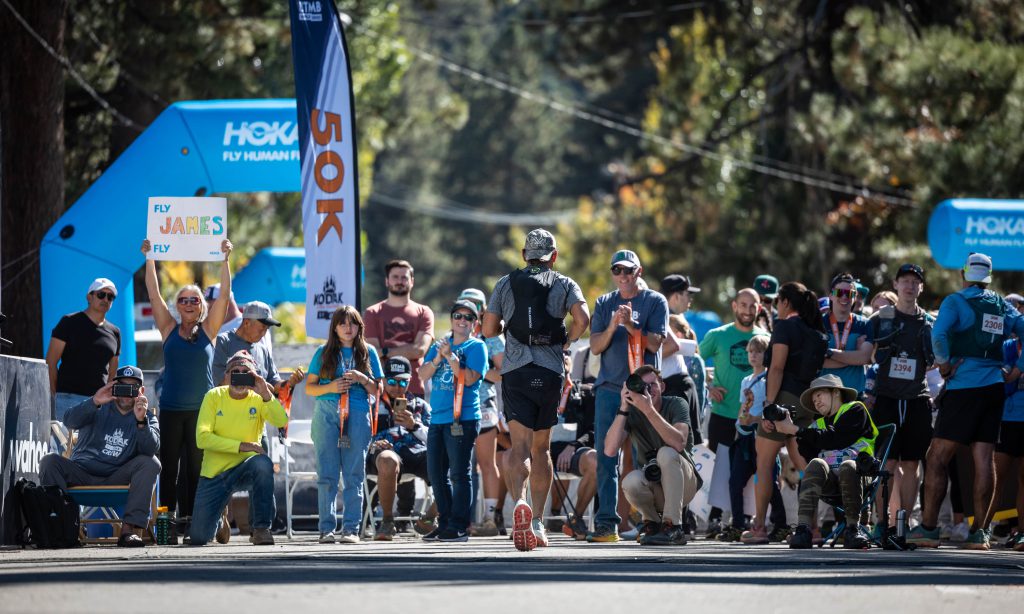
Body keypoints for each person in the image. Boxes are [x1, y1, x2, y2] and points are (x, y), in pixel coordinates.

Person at [483, 228, 589, 551]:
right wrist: (567, 341)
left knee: (519, 447)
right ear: (553, 257)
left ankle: (519, 503)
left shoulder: (504, 283)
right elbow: (583, 318)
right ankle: (539, 523)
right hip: (550, 370)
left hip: (515, 371)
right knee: (542, 448)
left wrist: (505, 327)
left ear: (524, 255)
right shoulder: (565, 283)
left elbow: (488, 329)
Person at [909, 253, 1024, 550]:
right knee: (984, 460)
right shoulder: (1003, 305)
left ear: (964, 274)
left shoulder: (955, 302)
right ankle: (980, 533)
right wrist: (1017, 370)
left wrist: (944, 365)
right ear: (988, 277)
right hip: (995, 388)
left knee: (936, 457)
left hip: (963, 388)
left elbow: (939, 335)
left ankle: (929, 529)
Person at [141, 238, 233, 541]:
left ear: (202, 306)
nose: (190, 304)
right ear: (177, 307)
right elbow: (154, 293)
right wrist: (150, 258)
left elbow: (225, 296)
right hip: (170, 410)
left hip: (201, 412)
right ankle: (166, 528)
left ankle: (196, 526)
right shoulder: (168, 328)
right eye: (184, 300)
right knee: (168, 471)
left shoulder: (209, 329)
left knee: (196, 472)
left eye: (194, 300)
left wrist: (225, 259)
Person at [587, 249, 669, 543]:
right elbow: (595, 347)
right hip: (609, 390)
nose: (622, 276)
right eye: (617, 270)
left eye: (628, 270)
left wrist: (632, 325)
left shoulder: (655, 301)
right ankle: (607, 523)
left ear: (639, 272)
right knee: (606, 458)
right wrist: (612, 325)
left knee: (646, 458)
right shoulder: (604, 303)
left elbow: (656, 342)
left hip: (644, 391)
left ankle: (651, 521)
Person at [39, 365, 159, 547]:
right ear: (113, 387)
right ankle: (61, 530)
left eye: (132, 388)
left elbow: (150, 449)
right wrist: (94, 400)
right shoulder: (97, 406)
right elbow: (69, 420)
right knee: (49, 461)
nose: (127, 394)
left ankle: (128, 532)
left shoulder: (146, 417)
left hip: (116, 476)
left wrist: (141, 421)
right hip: (82, 473)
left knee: (151, 462)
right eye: (122, 387)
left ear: (141, 391)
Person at [745, 281, 827, 544]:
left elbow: (777, 368)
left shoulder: (785, 327)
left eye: (778, 301)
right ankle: (812, 529)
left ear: (785, 302)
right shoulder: (816, 331)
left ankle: (758, 527)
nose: (776, 307)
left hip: (783, 399)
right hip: (808, 401)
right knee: (805, 466)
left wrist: (770, 406)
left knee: (764, 465)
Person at [768, 374, 877, 549]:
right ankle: (803, 529)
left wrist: (798, 430)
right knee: (815, 465)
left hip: (860, 477)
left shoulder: (856, 409)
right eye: (813, 399)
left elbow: (836, 439)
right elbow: (807, 454)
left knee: (848, 465)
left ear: (835, 392)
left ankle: (853, 529)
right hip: (831, 484)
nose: (816, 401)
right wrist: (787, 428)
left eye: (819, 395)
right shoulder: (817, 424)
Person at [189, 351, 287, 546]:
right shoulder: (213, 396)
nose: (240, 376)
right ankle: (219, 519)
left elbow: (281, 421)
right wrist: (242, 446)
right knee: (199, 538)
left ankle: (260, 529)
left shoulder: (259, 398)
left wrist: (266, 393)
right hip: (215, 474)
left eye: (246, 373)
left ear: (254, 377)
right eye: (236, 372)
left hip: (246, 470)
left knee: (263, 464)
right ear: (226, 376)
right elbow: (202, 438)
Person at [304, 306, 384, 544]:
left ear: (360, 326)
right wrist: (331, 387)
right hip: (327, 413)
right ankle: (326, 529)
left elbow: (378, 390)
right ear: (335, 327)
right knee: (326, 474)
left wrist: (362, 378)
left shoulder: (368, 352)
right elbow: (309, 388)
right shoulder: (323, 352)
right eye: (343, 323)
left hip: (358, 413)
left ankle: (351, 529)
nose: (348, 328)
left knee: (354, 474)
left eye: (353, 323)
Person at [867, 263, 934, 535]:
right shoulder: (881, 318)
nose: (909, 285)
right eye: (904, 280)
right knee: (887, 464)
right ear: (895, 285)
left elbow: (936, 360)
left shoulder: (928, 321)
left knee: (912, 463)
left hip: (917, 399)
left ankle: (903, 525)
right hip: (886, 398)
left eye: (914, 281)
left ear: (921, 287)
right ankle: (882, 523)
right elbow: (867, 354)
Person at [698, 288, 767, 537]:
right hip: (723, 413)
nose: (748, 310)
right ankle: (715, 519)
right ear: (734, 306)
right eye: (744, 304)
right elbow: (694, 361)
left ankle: (745, 519)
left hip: (753, 419)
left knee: (748, 468)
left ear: (759, 308)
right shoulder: (717, 335)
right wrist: (710, 385)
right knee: (720, 468)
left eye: (753, 305)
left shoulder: (765, 338)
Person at [605, 366, 700, 546]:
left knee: (666, 452)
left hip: (684, 484)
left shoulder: (676, 403)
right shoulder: (632, 412)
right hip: (655, 485)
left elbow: (679, 443)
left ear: (662, 387)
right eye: (643, 386)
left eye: (653, 385)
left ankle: (674, 527)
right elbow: (609, 450)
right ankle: (652, 524)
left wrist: (648, 410)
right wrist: (624, 407)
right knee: (630, 481)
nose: (648, 390)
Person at [419, 300, 488, 543]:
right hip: (437, 418)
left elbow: (469, 379)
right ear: (451, 319)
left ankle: (459, 526)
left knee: (459, 474)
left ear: (474, 323)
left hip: (463, 418)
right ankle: (445, 522)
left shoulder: (477, 347)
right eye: (458, 315)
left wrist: (451, 358)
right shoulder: (441, 344)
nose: (462, 320)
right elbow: (422, 375)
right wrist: (439, 356)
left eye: (468, 317)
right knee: (436, 474)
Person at [720, 335, 786, 541]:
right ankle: (738, 523)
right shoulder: (745, 380)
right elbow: (743, 407)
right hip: (745, 437)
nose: (754, 355)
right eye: (750, 351)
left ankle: (781, 523)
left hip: (764, 435)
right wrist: (740, 424)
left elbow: (771, 411)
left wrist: (755, 420)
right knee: (735, 481)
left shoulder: (769, 379)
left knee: (768, 481)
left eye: (758, 351)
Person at [368, 356, 432, 541]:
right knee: (388, 458)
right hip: (383, 457)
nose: (397, 386)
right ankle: (388, 521)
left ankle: (430, 518)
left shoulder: (420, 406)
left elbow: (434, 440)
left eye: (402, 381)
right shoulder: (372, 405)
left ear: (410, 380)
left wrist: (414, 426)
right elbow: (360, 437)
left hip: (416, 453)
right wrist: (374, 443)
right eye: (391, 381)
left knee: (449, 459)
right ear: (383, 380)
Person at [460, 287, 506, 537]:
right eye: (461, 308)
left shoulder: (492, 337)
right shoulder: (454, 334)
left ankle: (490, 518)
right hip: (457, 406)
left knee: (486, 462)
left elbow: (504, 373)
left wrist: (477, 370)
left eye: (472, 307)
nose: (466, 314)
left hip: (484, 403)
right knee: (460, 464)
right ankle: (460, 517)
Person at [45, 277, 121, 421]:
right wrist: (56, 396)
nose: (106, 299)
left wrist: (106, 400)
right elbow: (50, 362)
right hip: (67, 401)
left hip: (99, 403)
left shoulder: (115, 332)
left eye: (110, 296)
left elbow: (113, 372)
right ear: (89, 297)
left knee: (94, 444)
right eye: (101, 294)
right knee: (63, 444)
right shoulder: (68, 322)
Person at [364, 259, 435, 398]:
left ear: (412, 281)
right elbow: (372, 353)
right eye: (395, 277)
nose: (400, 281)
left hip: (413, 387)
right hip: (380, 388)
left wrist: (384, 351)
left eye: (404, 277)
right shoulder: (372, 313)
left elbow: (419, 350)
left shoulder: (424, 312)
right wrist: (405, 351)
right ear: (387, 281)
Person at [212, 301, 304, 392]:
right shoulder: (223, 341)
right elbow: (219, 379)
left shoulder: (263, 349)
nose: (264, 333)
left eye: (267, 329)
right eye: (262, 327)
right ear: (247, 323)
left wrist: (289, 383)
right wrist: (257, 382)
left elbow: (274, 384)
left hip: (259, 407)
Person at [820, 273, 875, 395]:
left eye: (850, 293)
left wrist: (829, 353)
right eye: (840, 293)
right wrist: (854, 358)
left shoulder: (864, 324)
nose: (844, 297)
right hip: (824, 395)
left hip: (855, 395)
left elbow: (865, 358)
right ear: (831, 296)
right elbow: (817, 361)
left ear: (855, 297)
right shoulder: (818, 323)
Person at [997, 332, 1024, 550]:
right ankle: (983, 528)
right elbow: (1002, 378)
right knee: (996, 477)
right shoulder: (1007, 346)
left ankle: (1022, 533)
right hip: (1006, 419)